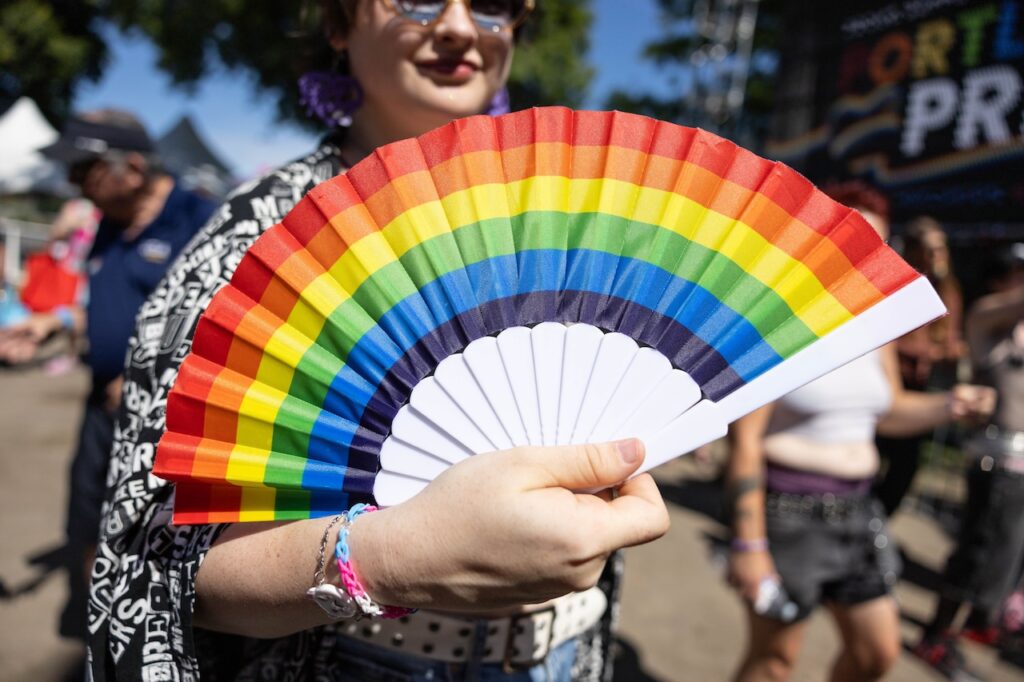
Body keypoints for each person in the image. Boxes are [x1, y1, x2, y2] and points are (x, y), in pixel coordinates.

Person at [85, 2, 670, 680]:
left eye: (493, 4)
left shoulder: (572, 208)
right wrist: (389, 558)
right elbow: (153, 567)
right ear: (337, 25)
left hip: (569, 655)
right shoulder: (260, 243)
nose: (457, 26)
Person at [725, 184, 995, 682]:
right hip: (789, 516)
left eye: (879, 245)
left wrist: (950, 404)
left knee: (877, 653)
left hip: (859, 512)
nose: (870, 257)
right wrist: (748, 545)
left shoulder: (875, 324)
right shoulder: (773, 325)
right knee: (774, 662)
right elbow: (744, 442)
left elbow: (888, 411)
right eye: (857, 241)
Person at [0, 110, 218, 639]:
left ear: (134, 167)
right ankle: (92, 622)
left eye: (85, 169)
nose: (74, 183)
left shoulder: (203, 220)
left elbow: (226, 324)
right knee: (85, 520)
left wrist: (152, 380)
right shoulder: (106, 225)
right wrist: (57, 321)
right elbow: (111, 305)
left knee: (154, 540)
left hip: (173, 427)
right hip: (101, 411)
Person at [914, 245, 1024, 681]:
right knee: (976, 553)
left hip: (1019, 461)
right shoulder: (987, 320)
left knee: (1002, 559)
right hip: (995, 458)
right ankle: (937, 635)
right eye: (1017, 272)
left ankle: (963, 631)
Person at [874, 216, 966, 516]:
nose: (938, 256)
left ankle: (879, 521)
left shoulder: (948, 288)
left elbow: (950, 335)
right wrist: (924, 351)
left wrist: (950, 350)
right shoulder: (896, 284)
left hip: (919, 388)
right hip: (887, 384)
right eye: (931, 249)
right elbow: (884, 338)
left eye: (942, 249)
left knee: (906, 464)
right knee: (875, 455)